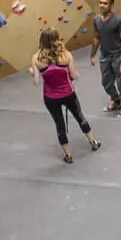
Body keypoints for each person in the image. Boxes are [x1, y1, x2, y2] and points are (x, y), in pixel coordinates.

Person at [32, 27, 101, 164]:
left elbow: (36, 82)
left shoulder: (36, 58)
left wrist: (33, 72)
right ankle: (93, 141)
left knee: (59, 125)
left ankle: (68, 156)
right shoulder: (66, 55)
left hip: (50, 98)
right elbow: (74, 76)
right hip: (68, 94)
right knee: (79, 116)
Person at [88, 0, 121, 116]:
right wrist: (92, 55)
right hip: (104, 55)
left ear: (111, 5)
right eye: (100, 2)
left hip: (118, 55)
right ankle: (116, 101)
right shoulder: (96, 20)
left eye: (105, 3)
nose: (102, 5)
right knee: (106, 82)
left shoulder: (119, 20)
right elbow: (96, 37)